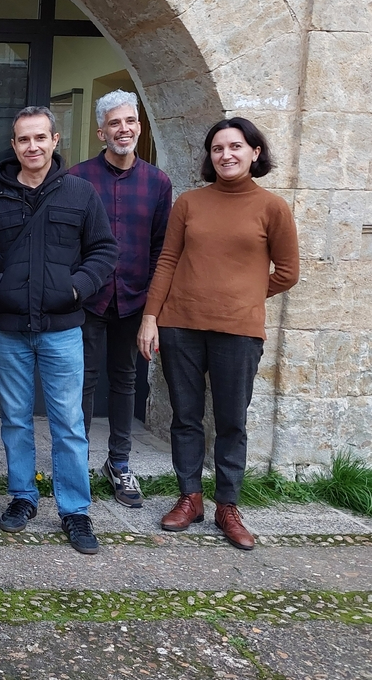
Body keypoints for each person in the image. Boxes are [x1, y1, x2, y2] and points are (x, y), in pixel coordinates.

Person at [139, 117, 298, 551]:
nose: (226, 155)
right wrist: (151, 317)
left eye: (235, 146)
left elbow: (287, 272)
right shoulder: (189, 203)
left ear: (255, 152)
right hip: (180, 326)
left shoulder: (272, 207)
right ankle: (190, 498)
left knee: (231, 421)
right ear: (210, 156)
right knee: (185, 417)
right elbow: (167, 261)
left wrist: (244, 297)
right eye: (217, 148)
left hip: (238, 332)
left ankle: (227, 505)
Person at [0, 106, 118, 556]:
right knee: (15, 419)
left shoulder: (80, 193)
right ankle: (23, 496)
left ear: (55, 140)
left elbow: (104, 250)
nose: (32, 146)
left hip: (61, 328)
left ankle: (75, 509)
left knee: (68, 423)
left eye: (40, 138)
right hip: (8, 328)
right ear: (13, 145)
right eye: (23, 139)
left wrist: (77, 288)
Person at [69, 91, 172, 507]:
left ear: (139, 127)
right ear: (102, 132)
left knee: (127, 381)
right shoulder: (78, 178)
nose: (123, 129)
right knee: (82, 381)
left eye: (129, 121)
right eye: (114, 123)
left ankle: (119, 463)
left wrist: (152, 311)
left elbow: (161, 249)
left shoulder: (158, 183)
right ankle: (75, 464)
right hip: (88, 300)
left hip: (133, 299)